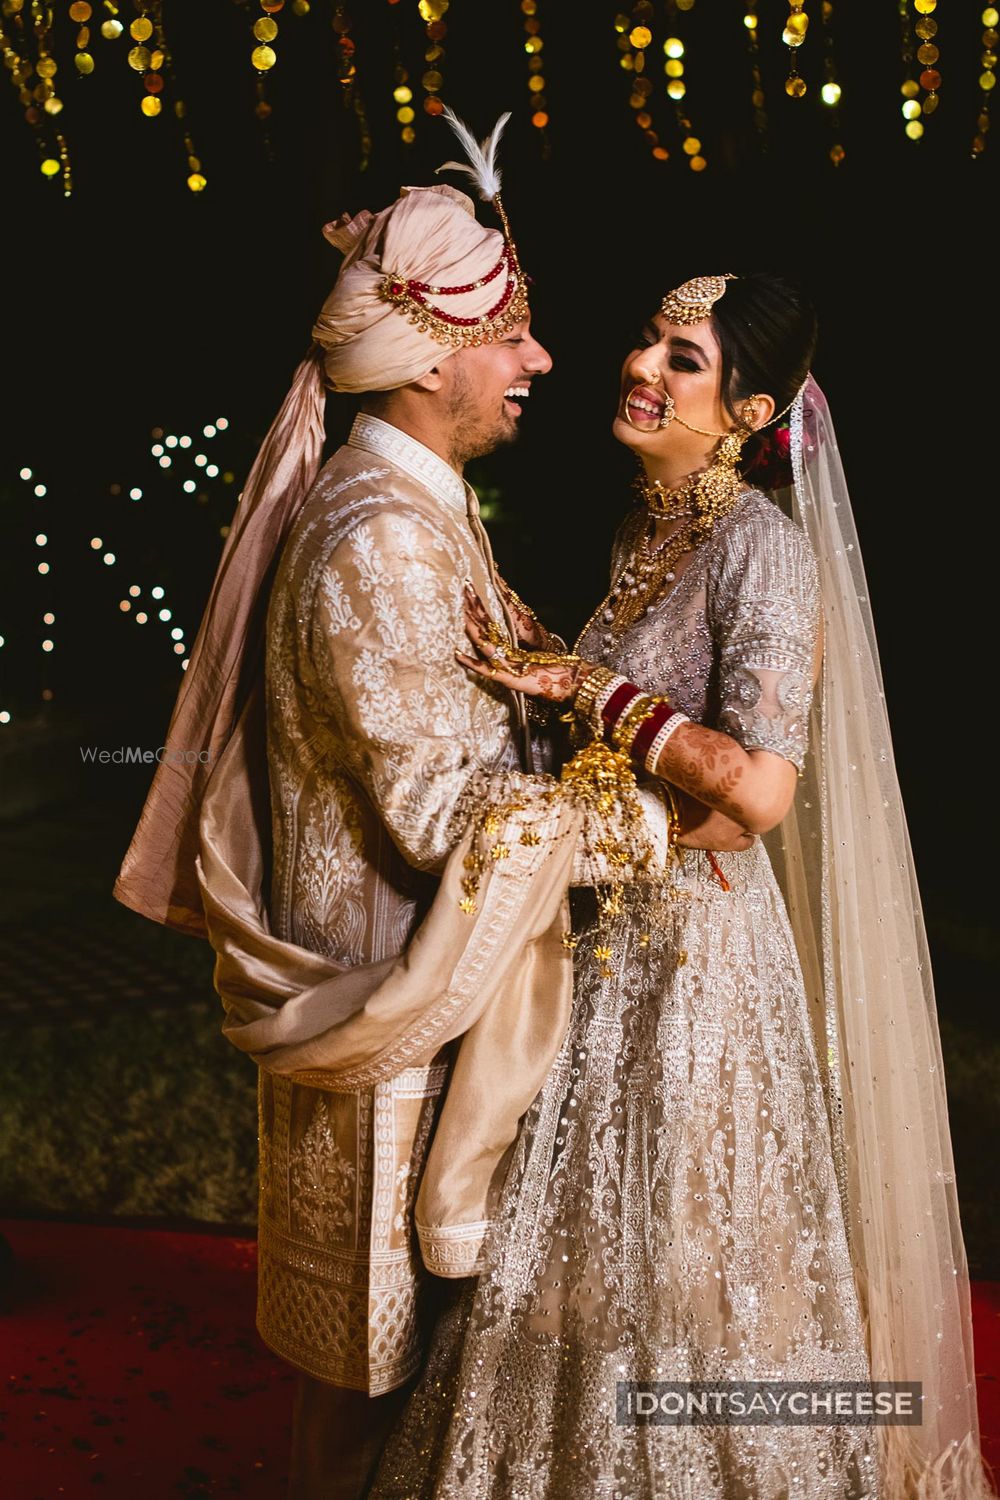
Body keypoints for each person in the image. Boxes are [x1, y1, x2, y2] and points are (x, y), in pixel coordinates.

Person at [113, 117, 747, 1500]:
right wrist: (671, 827)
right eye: (513, 333)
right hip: (392, 1032)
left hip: (443, 1010)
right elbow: (440, 811)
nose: (541, 361)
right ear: (427, 348)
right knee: (368, 1399)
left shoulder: (425, 505)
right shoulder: (378, 535)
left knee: (419, 1405)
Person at [365, 274, 998, 1498]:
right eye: (650, 338)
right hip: (607, 945)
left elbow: (759, 791)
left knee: (682, 1263)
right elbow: (621, 736)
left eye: (686, 358)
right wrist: (533, 664)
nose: (644, 364)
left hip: (700, 969)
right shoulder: (650, 531)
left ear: (751, 409)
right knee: (582, 1258)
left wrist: (586, 689)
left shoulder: (759, 545)